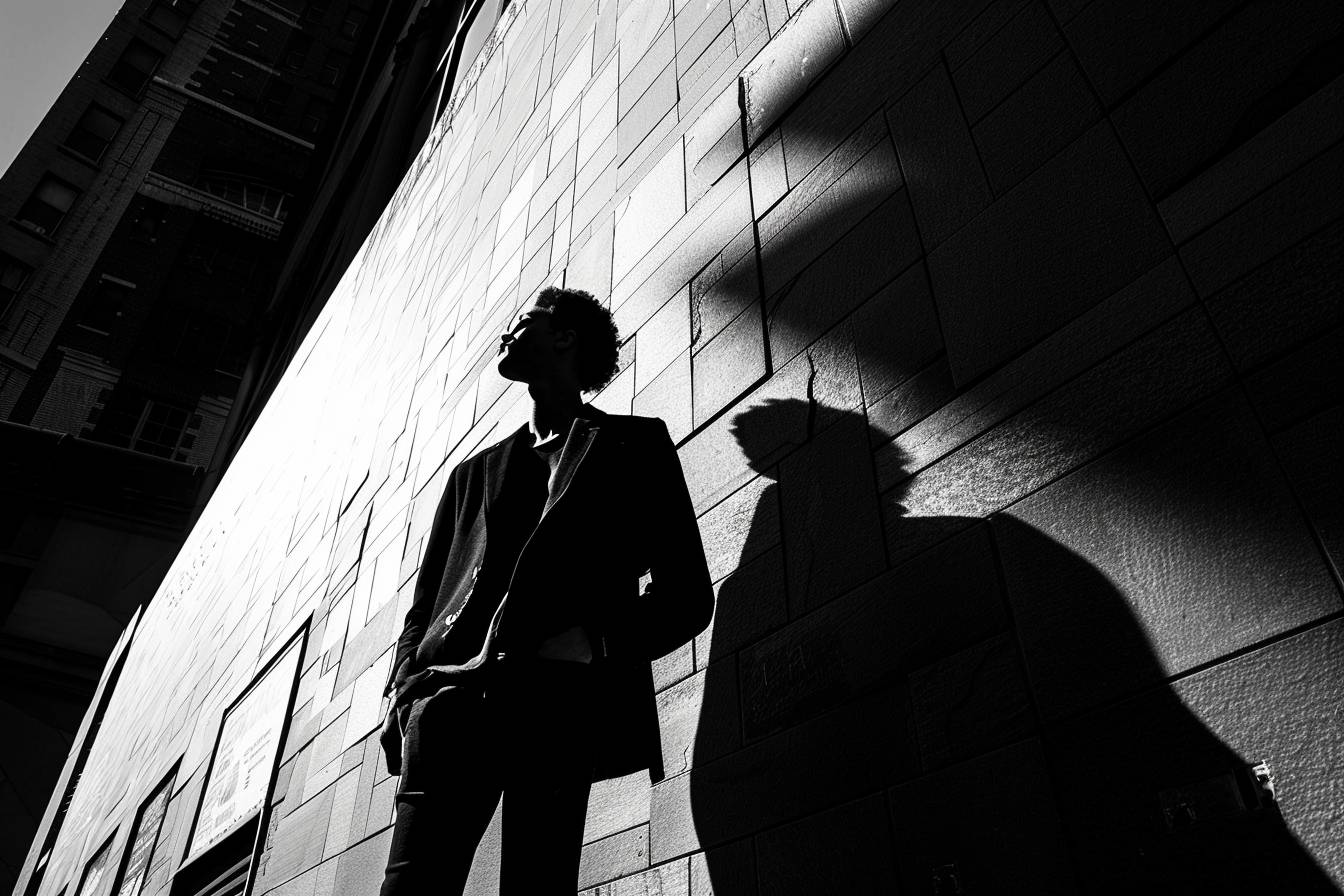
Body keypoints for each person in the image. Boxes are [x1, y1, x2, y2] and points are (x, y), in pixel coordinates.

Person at [377, 286, 714, 895]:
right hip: (449, 704)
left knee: (537, 888)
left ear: (565, 337)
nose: (506, 332)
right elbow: (425, 605)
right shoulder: (471, 475)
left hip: (560, 708)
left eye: (524, 319)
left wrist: (592, 642)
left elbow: (688, 594)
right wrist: (402, 692)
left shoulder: (634, 446)